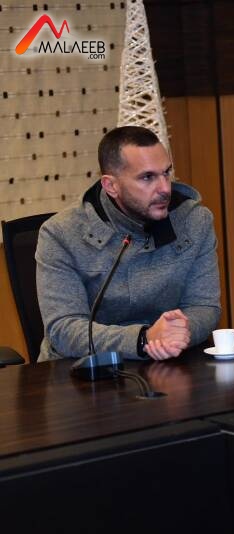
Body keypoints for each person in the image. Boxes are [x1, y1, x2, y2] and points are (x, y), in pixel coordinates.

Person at [36, 126, 221, 362]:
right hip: (84, 369)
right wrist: (143, 339)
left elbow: (204, 306)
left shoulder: (194, 220)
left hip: (169, 361)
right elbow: (63, 329)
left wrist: (180, 332)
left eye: (166, 173)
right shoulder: (60, 233)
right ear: (111, 186)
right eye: (147, 177)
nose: (165, 189)